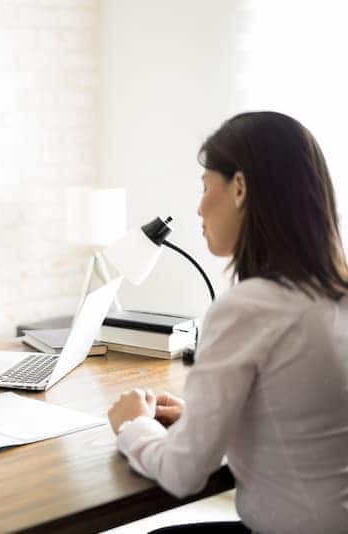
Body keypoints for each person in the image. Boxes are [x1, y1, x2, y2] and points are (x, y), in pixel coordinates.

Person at [107, 111, 348, 533]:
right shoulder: (335, 295)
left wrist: (133, 424)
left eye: (204, 187)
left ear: (239, 187)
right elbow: (312, 426)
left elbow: (183, 473)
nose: (198, 208)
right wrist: (218, 419)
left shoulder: (250, 308)